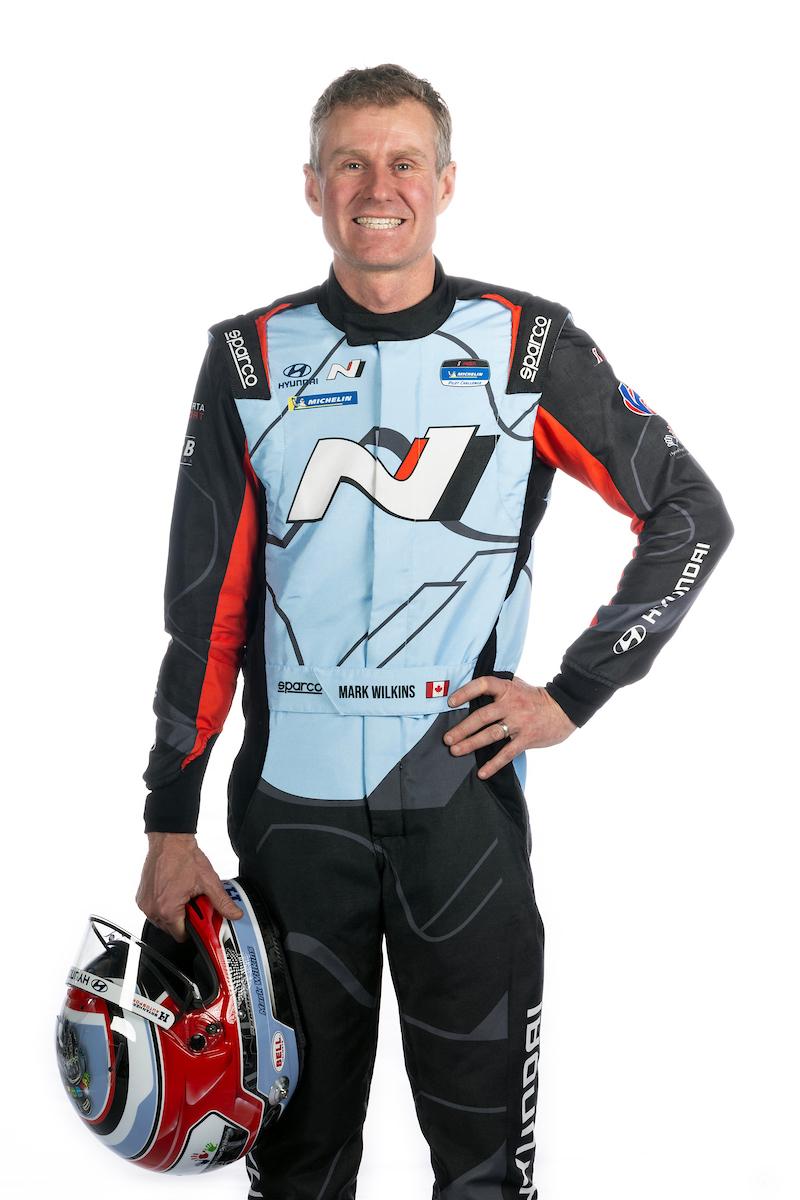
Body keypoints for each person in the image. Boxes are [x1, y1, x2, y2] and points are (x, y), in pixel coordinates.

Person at [136, 64, 733, 1200]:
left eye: (403, 162)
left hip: (459, 812)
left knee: (483, 1176)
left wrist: (574, 692)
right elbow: (202, 611)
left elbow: (690, 515)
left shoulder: (525, 346)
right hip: (292, 827)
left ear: (445, 183)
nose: (379, 188)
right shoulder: (250, 359)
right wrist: (170, 819)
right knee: (296, 1172)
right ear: (311, 186)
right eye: (350, 163)